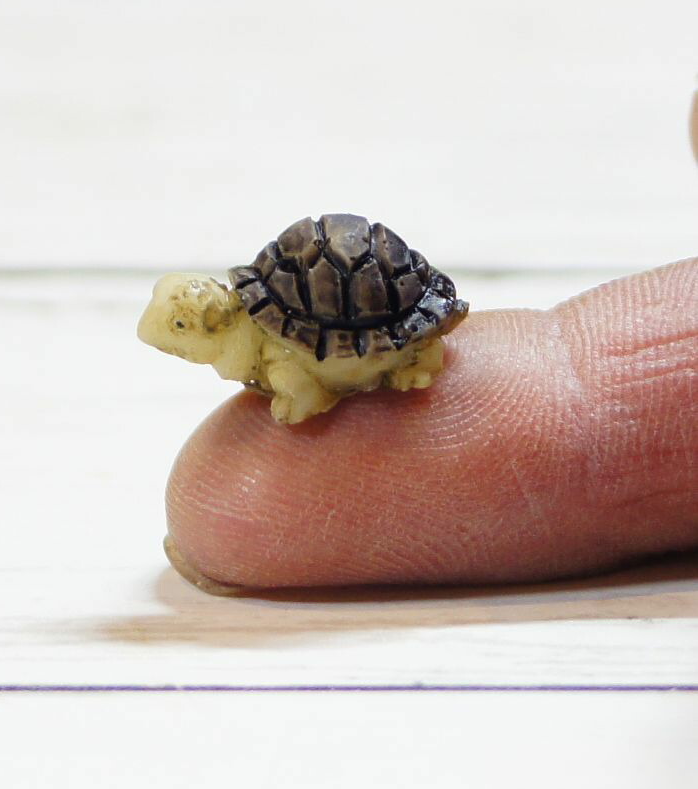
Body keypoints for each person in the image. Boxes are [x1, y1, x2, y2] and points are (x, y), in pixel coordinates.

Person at [163, 97, 698, 593]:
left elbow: (302, 385)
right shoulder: (261, 336)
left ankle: (415, 353)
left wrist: (305, 394)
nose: (171, 342)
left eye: (181, 330)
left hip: (389, 299)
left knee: (397, 364)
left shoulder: (281, 356)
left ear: (215, 320)